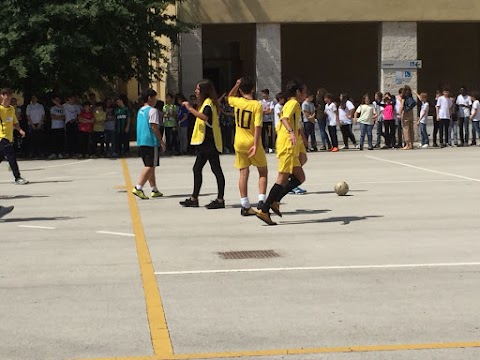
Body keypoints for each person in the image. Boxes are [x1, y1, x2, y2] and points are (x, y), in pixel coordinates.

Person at [256, 79, 308, 226]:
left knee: (300, 177)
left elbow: (289, 120)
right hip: (287, 144)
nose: (306, 94)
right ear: (298, 92)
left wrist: (299, 135)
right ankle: (265, 209)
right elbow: (284, 119)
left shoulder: (290, 104)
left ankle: (275, 201)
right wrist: (291, 133)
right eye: (304, 91)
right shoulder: (294, 103)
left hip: (289, 142)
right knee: (282, 178)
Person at [180, 79, 226, 209]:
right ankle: (196, 198)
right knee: (201, 169)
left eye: (198, 89)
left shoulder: (208, 104)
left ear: (204, 91)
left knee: (214, 169)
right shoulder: (207, 103)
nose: (196, 91)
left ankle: (219, 199)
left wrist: (189, 109)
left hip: (209, 143)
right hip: (205, 143)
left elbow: (204, 117)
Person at [227, 77, 268, 216]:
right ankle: (262, 200)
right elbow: (258, 126)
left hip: (239, 141)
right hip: (252, 141)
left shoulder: (237, 102)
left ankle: (245, 205)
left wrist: (236, 84)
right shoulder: (256, 105)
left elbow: (229, 97)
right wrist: (256, 144)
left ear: (240, 90)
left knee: (243, 173)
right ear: (253, 89)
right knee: (262, 171)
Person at [132, 89, 166, 200]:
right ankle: (138, 187)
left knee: (150, 166)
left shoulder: (141, 110)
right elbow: (154, 126)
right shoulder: (153, 111)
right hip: (151, 141)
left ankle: (154, 189)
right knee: (150, 165)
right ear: (150, 98)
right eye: (155, 97)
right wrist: (161, 140)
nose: (156, 100)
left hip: (141, 140)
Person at [0, 88, 28, 184]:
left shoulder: (11, 109)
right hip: (1, 137)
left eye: (10, 95)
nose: (8, 97)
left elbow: (14, 122)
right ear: (2, 96)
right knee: (11, 156)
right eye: (6, 95)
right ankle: (17, 177)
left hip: (9, 137)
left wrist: (20, 130)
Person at [399, 85, 417, 150]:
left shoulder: (404, 98)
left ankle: (407, 144)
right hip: (411, 113)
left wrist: (399, 113)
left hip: (405, 113)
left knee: (406, 129)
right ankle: (411, 144)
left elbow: (401, 106)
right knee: (411, 129)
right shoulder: (410, 97)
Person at [260, 89, 275, 153]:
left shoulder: (271, 102)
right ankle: (263, 147)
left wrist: (264, 111)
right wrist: (266, 111)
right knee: (262, 134)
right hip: (262, 121)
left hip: (269, 121)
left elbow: (271, 111)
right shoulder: (260, 102)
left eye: (264, 94)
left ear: (267, 94)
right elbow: (260, 111)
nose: (263, 95)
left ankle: (270, 147)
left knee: (269, 134)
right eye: (262, 93)